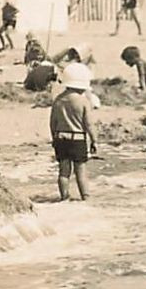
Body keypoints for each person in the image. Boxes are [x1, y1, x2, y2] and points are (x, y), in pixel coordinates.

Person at [49, 62, 97, 202]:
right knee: (80, 171)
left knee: (64, 171)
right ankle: (85, 197)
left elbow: (53, 123)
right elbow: (88, 124)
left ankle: (64, 197)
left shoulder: (58, 100)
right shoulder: (83, 101)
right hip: (77, 139)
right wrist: (94, 140)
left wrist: (54, 139)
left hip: (61, 138)